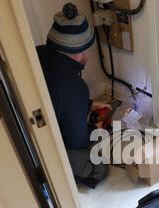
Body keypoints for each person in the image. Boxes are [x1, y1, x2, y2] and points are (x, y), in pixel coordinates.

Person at [36, 2, 109, 189]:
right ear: (78, 54)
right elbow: (77, 141)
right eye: (89, 49)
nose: (89, 54)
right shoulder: (74, 87)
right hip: (38, 147)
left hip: (24, 125)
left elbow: (55, 95)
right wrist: (96, 126)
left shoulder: (36, 52)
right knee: (96, 163)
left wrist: (87, 103)